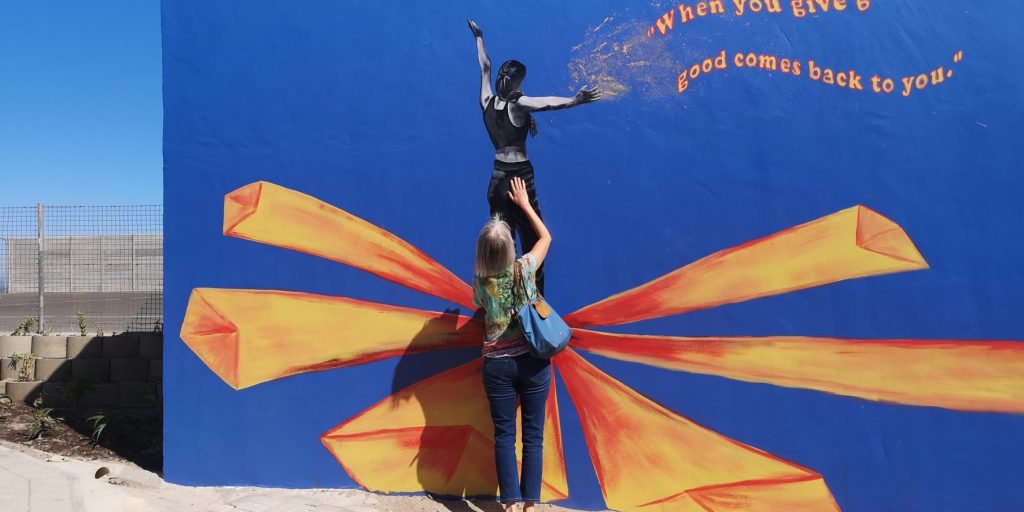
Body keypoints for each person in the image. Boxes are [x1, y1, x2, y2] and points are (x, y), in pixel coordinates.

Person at [468, 19, 599, 295]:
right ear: (517, 83)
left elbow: (485, 66)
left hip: (496, 180)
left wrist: (479, 38)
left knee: (502, 243)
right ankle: (533, 299)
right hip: (519, 180)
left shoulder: (486, 101)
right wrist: (576, 100)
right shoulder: (518, 105)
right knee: (533, 241)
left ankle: (500, 300)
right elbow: (547, 103)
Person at [472, 176, 551, 512]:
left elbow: (479, 305)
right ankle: (530, 506)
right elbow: (546, 238)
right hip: (533, 361)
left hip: (497, 366)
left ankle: (510, 506)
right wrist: (525, 205)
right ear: (511, 249)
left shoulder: (481, 281)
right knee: (533, 435)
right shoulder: (524, 269)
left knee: (504, 436)